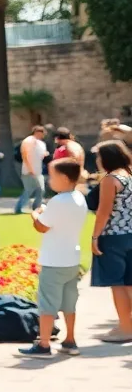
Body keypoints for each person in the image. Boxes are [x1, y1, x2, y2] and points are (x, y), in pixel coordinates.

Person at [19, 158, 87, 358]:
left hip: (53, 260)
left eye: (53, 176)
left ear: (64, 178)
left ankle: (44, 344)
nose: (50, 180)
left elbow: (41, 226)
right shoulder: (78, 197)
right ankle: (70, 340)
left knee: (47, 304)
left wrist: (35, 213)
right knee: (69, 303)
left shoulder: (58, 201)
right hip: (71, 258)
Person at [89, 140, 132, 343]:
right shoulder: (130, 175)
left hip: (114, 236)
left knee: (118, 284)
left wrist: (95, 236)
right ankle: (126, 324)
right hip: (130, 234)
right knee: (130, 283)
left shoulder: (110, 179)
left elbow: (103, 212)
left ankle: (125, 327)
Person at [15, 125, 49, 214]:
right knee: (29, 190)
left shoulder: (42, 144)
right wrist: (30, 168)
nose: (43, 135)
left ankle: (36, 207)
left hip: (38, 171)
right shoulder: (28, 141)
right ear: (37, 132)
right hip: (28, 171)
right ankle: (18, 208)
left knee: (40, 189)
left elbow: (42, 155)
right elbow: (24, 155)